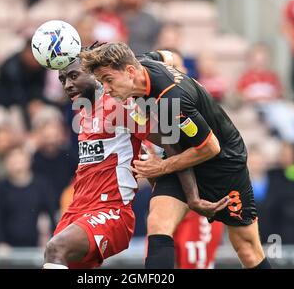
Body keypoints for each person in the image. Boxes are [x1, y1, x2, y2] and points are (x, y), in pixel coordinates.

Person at [80, 42, 270, 269]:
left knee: (246, 248)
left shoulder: (172, 99)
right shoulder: (139, 63)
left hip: (223, 163)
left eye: (108, 80)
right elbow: (166, 55)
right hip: (183, 157)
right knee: (158, 222)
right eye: (103, 82)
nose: (107, 89)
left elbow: (210, 148)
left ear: (130, 72)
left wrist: (161, 167)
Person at [43, 53, 226, 269]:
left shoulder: (121, 107)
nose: (67, 85)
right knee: (57, 257)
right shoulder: (83, 113)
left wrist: (192, 197)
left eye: (73, 76)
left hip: (110, 211)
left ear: (95, 75)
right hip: (78, 210)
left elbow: (170, 139)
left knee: (55, 249)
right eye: (62, 80)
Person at [0, 146, 57, 248]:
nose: (17, 164)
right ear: (6, 164)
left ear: (28, 161)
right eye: (13, 160)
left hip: (38, 247)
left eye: (20, 160)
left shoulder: (42, 186)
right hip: (7, 249)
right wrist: (0, 243)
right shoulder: (1, 189)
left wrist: (50, 241)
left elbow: (53, 215)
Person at [0, 39, 49, 129]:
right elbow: (16, 95)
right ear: (27, 52)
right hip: (6, 103)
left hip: (27, 101)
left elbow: (38, 88)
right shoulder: (10, 67)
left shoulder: (40, 67)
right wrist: (30, 104)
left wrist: (38, 100)